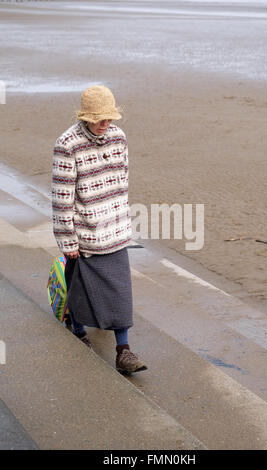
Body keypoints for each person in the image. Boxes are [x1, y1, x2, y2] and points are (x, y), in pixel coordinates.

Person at [52, 85, 147, 374]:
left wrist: (123, 221)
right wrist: (67, 239)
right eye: (100, 119)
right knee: (81, 289)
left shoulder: (118, 137)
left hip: (115, 228)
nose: (106, 124)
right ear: (85, 117)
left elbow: (123, 182)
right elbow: (61, 198)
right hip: (85, 233)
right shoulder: (67, 143)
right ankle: (78, 328)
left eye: (110, 118)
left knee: (121, 292)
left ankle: (124, 351)